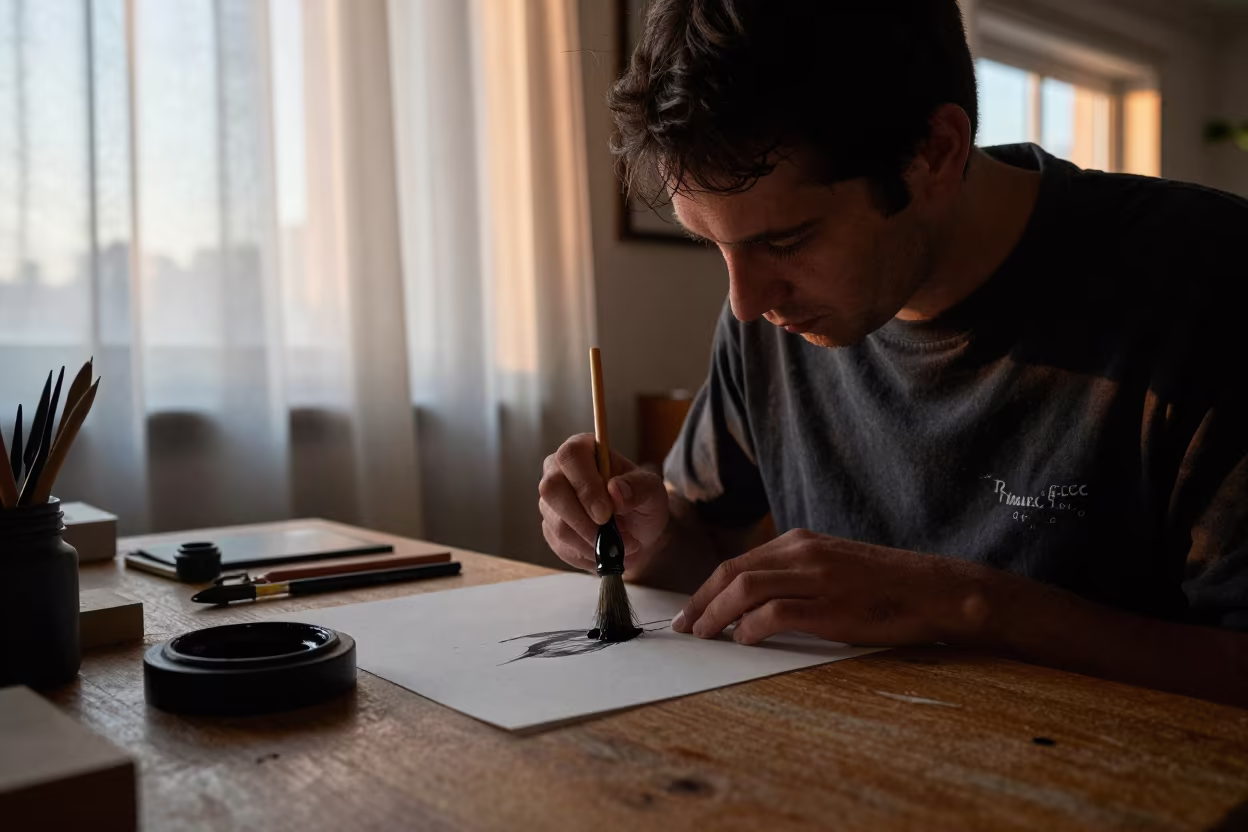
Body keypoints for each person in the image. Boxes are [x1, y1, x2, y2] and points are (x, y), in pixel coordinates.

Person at [537, 0, 1248, 707]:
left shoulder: (1209, 283)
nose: (745, 301)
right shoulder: (769, 315)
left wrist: (968, 605)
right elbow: (705, 542)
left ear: (935, 153)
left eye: (786, 241)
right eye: (714, 245)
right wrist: (648, 539)